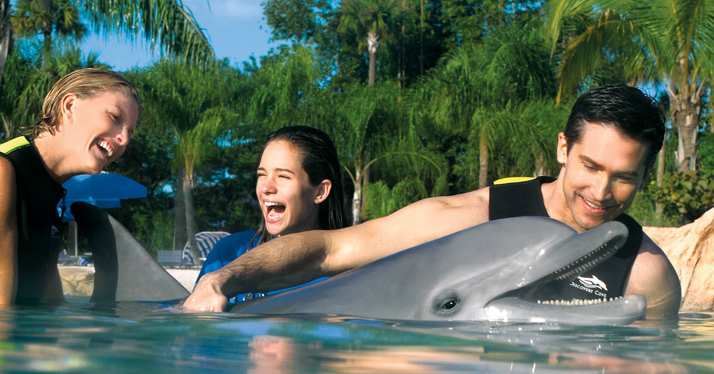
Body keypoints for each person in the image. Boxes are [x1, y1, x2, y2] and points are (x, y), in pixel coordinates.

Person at [185, 84, 681, 319]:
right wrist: (221, 279)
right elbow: (330, 250)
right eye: (590, 167)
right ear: (562, 148)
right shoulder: (475, 215)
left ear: (644, 175)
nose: (601, 193)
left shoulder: (646, 276)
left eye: (624, 178)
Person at [0, 68, 140, 305]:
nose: (124, 140)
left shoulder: (51, 186)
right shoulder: (4, 170)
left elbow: (50, 300)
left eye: (130, 132)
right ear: (69, 106)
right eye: (115, 118)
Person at [193, 125, 347, 303]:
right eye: (262, 175)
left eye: (283, 176)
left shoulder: (346, 272)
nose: (266, 187)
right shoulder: (228, 253)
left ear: (320, 191)